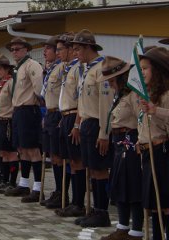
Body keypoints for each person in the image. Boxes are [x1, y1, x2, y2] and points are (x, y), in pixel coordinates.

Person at [97, 56, 144, 240]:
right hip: (118, 141)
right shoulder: (119, 95)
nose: (109, 83)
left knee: (132, 185)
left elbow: (140, 120)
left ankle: (136, 230)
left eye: (112, 79)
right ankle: (123, 226)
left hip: (131, 141)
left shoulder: (133, 95)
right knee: (120, 185)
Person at [72, 29, 114, 227]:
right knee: (91, 169)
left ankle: (102, 211)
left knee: (100, 169)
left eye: (78, 48)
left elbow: (105, 104)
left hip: (98, 123)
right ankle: (95, 210)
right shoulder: (86, 69)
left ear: (89, 47)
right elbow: (82, 101)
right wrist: (78, 124)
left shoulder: (101, 68)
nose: (75, 52)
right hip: (87, 123)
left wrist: (104, 133)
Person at [3, 37, 44, 203]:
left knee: (33, 149)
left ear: (26, 49)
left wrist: (40, 107)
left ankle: (38, 187)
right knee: (22, 148)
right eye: (12, 49)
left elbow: (39, 88)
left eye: (18, 49)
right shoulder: (17, 68)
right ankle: (24, 183)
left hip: (29, 109)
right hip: (18, 111)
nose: (14, 52)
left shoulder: (32, 65)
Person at [137, 47, 169, 240]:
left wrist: (155, 110)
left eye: (145, 69)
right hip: (148, 152)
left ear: (156, 70)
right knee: (154, 205)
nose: (142, 73)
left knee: (164, 203)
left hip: (162, 152)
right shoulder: (147, 94)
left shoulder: (166, 95)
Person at [55, 33, 87, 217]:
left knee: (77, 161)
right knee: (71, 161)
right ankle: (72, 201)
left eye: (61, 49)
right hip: (65, 116)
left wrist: (77, 123)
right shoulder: (67, 69)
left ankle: (78, 202)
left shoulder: (79, 69)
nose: (58, 53)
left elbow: (82, 98)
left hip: (75, 115)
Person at [39, 35, 70, 208]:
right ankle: (59, 191)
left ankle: (63, 192)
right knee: (53, 156)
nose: (45, 52)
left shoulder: (63, 68)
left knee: (60, 156)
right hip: (50, 113)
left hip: (59, 113)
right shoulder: (51, 69)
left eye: (49, 49)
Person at [0, 56, 20, 194]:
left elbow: (15, 101)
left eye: (0, 69)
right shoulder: (1, 83)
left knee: (11, 153)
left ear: (7, 69)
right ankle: (4, 179)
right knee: (3, 152)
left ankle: (12, 182)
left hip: (8, 120)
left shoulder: (11, 82)